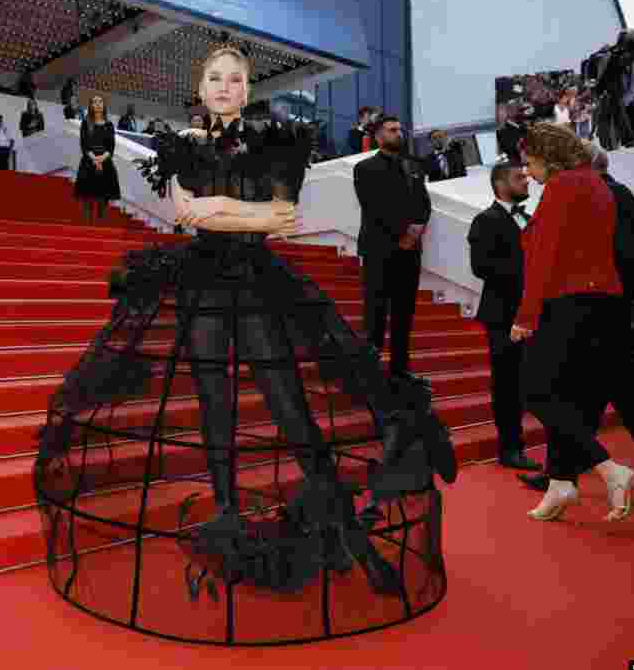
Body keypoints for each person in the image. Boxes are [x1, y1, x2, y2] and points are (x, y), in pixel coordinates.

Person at [38, 45, 456, 612]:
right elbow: (189, 213)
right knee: (214, 398)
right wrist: (238, 211)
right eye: (214, 77)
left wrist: (222, 210)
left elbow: (281, 218)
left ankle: (341, 521)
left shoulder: (275, 142)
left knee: (287, 400)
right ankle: (228, 508)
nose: (225, 86)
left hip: (258, 280)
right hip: (205, 282)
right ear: (200, 83)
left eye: (235, 78)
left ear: (247, 85)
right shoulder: (181, 145)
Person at [518, 143, 634, 513]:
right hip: (605, 312)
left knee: (621, 400)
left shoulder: (608, 195)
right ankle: (561, 477)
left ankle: (566, 475)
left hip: (606, 314)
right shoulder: (598, 193)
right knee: (590, 396)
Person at [467, 163, 542, 471]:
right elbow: (481, 267)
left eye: (526, 176)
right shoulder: (484, 220)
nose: (526, 181)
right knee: (508, 383)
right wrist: (528, 273)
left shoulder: (529, 217)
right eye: (518, 177)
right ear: (500, 184)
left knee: (536, 381)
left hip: (535, 312)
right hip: (503, 315)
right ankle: (510, 448)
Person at [353, 116, 432, 387]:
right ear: (378, 136)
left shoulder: (413, 165)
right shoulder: (365, 168)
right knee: (375, 311)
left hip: (409, 252)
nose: (398, 133)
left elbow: (424, 203)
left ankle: (400, 368)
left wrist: (414, 232)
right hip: (379, 249)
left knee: (404, 311)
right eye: (392, 130)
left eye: (400, 129)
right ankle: (371, 370)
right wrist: (402, 234)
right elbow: (373, 206)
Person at [73, 95, 120, 223]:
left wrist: (101, 159)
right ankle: (87, 225)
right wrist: (95, 159)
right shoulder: (85, 123)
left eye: (100, 101)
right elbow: (84, 144)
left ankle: (101, 224)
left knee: (103, 199)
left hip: (106, 161)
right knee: (87, 198)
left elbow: (111, 147)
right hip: (89, 161)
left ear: (103, 105)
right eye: (95, 102)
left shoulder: (109, 125)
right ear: (91, 106)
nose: (98, 104)